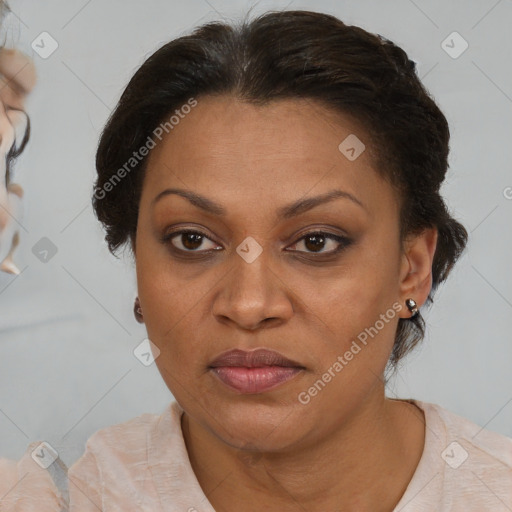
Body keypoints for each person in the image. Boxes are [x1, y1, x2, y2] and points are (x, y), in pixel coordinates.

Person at [65, 9, 511, 511]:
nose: (249, 305)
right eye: (192, 239)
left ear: (411, 268)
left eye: (317, 242)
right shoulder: (60, 497)